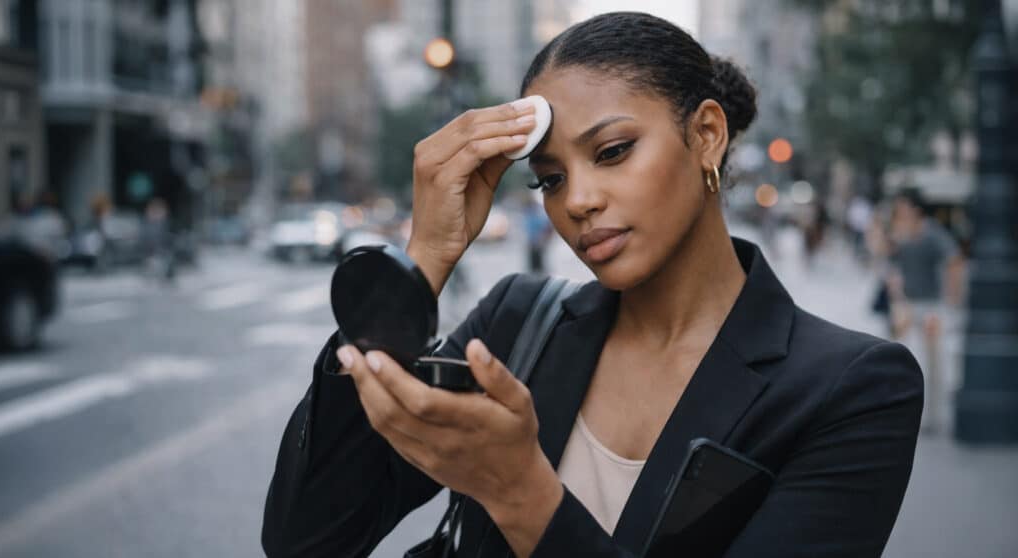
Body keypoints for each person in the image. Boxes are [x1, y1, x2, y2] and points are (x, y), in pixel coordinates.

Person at [262, 12, 923, 557]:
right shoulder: (515, 327)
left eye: (611, 152)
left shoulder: (853, 388)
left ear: (707, 136)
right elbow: (308, 538)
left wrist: (524, 497)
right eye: (548, 178)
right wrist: (426, 258)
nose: (575, 200)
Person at [884, 188, 963, 433]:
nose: (899, 213)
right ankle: (909, 411)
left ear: (916, 210)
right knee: (904, 355)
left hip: (931, 307)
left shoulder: (932, 234)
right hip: (907, 305)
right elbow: (890, 263)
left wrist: (952, 295)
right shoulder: (902, 234)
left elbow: (954, 260)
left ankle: (932, 416)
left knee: (933, 361)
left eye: (903, 208)